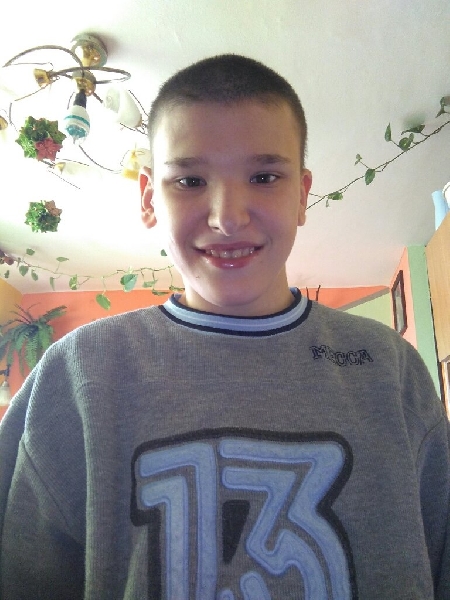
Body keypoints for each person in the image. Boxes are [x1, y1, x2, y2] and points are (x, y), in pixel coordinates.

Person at [0, 54, 449, 600]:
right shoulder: (76, 375)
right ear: (149, 199)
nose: (228, 216)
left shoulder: (390, 368)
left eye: (264, 177)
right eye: (190, 180)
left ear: (302, 194)